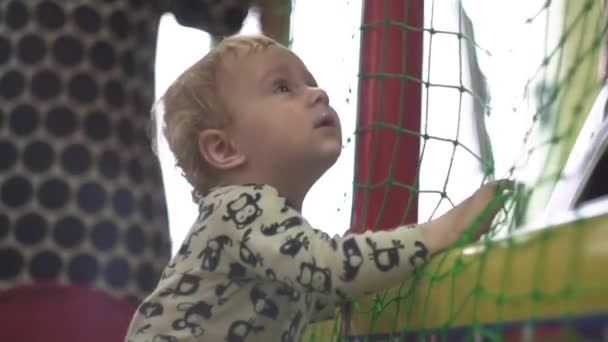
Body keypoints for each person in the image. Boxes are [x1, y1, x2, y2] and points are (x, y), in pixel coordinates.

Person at [125, 34, 512, 342]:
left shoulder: (266, 231)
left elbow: (310, 291)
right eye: (282, 88)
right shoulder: (238, 206)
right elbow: (330, 267)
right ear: (224, 148)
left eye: (310, 82)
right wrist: (437, 233)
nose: (317, 93)